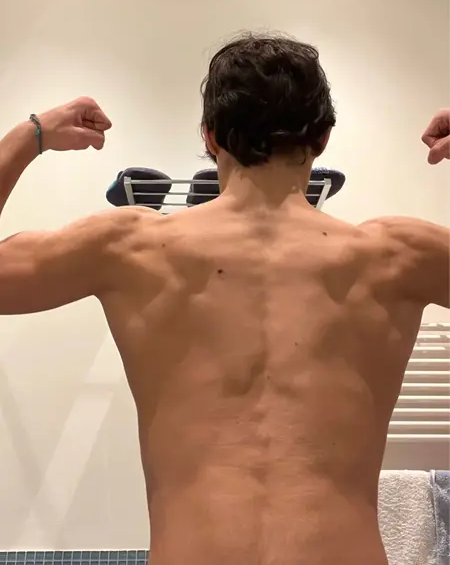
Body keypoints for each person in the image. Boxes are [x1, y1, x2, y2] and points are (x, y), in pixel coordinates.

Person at [0, 34, 448, 565]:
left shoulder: (130, 249)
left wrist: (30, 135)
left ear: (210, 137)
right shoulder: (398, 256)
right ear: (323, 138)